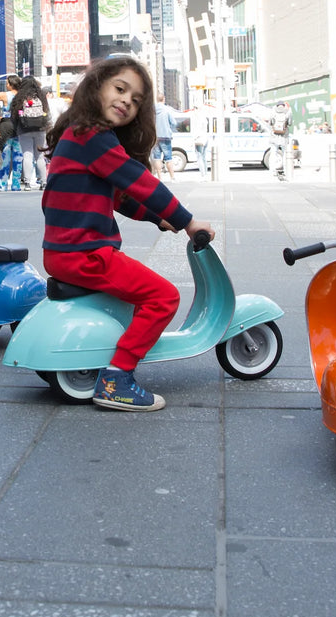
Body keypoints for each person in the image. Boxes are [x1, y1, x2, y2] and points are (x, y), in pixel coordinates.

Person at [42, 57, 214, 412]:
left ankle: (110, 355)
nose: (126, 102)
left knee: (137, 289)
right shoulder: (94, 137)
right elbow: (140, 184)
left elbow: (118, 197)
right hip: (85, 253)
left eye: (136, 101)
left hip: (64, 252)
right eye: (120, 89)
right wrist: (187, 221)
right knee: (163, 297)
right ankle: (118, 377)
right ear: (96, 87)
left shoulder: (78, 133)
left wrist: (157, 220)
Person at [11, 77, 51, 188]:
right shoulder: (41, 97)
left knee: (27, 156)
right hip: (40, 129)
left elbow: (14, 116)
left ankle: (27, 183)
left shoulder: (19, 97)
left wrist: (16, 128)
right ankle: (43, 182)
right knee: (39, 156)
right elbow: (47, 113)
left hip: (24, 129)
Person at [152, 90, 179, 181]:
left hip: (155, 137)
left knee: (157, 158)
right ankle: (172, 177)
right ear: (163, 99)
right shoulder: (167, 109)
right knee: (168, 158)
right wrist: (169, 127)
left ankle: (160, 178)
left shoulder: (153, 109)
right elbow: (174, 123)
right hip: (166, 136)